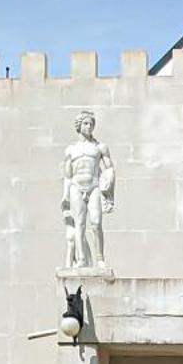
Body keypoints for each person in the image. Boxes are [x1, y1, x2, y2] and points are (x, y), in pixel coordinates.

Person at [60, 112, 114, 270]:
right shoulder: (71, 150)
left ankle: (100, 258)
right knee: (79, 224)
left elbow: (109, 168)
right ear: (79, 126)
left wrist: (109, 184)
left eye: (91, 124)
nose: (89, 127)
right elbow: (68, 176)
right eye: (86, 123)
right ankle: (82, 259)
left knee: (96, 222)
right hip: (76, 186)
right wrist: (65, 197)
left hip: (94, 186)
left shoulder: (99, 147)